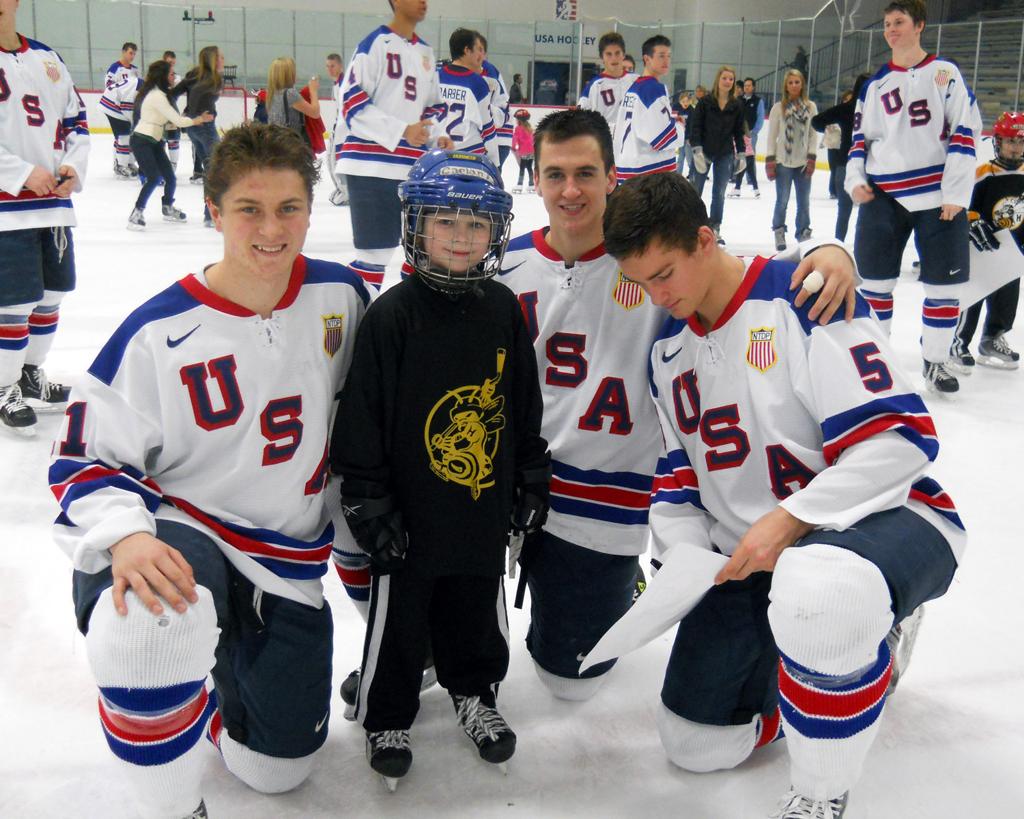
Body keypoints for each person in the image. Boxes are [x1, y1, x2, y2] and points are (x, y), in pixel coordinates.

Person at [603, 171, 963, 819]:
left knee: (821, 591)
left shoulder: (805, 296)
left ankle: (823, 785)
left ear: (706, 240)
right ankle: (814, 678)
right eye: (641, 281)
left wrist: (788, 519)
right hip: (758, 555)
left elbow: (900, 440)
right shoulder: (667, 347)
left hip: (883, 520)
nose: (656, 294)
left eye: (664, 274)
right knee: (696, 741)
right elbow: (678, 474)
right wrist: (687, 556)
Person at [49, 122, 372, 819]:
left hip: (283, 558)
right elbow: (82, 456)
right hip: (181, 526)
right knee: (152, 621)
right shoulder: (156, 331)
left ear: (311, 212)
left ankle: (217, 691)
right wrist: (126, 537)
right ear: (214, 211)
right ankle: (172, 804)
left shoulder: (343, 297)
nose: (271, 228)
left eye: (289, 208)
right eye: (249, 209)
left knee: (277, 771)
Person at [496, 108, 860, 704]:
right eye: (554, 173)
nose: (570, 190)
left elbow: (728, 267)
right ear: (533, 177)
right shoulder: (504, 265)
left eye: (586, 172)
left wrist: (828, 248)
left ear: (613, 176)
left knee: (569, 683)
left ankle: (619, 582)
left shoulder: (651, 259)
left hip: (607, 498)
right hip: (513, 487)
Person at [330, 149, 549, 790]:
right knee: (399, 619)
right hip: (412, 509)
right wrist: (368, 501)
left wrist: (529, 472)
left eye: (476, 225)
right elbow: (365, 414)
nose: (461, 237)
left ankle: (473, 692)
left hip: (480, 504)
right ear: (416, 226)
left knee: (477, 606)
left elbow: (520, 403)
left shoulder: (503, 308)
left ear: (496, 232)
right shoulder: (391, 315)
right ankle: (386, 715)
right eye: (446, 221)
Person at [846, 0, 982, 395]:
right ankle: (877, 358)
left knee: (944, 288)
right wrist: (855, 179)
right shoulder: (874, 85)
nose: (891, 29)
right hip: (884, 196)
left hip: (939, 198)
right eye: (887, 23)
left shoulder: (945, 74)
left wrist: (957, 191)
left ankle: (935, 360)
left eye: (899, 22)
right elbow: (859, 140)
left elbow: (964, 133)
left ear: (919, 25)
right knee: (874, 284)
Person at [0, 0, 88, 433]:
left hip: (52, 203)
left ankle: (31, 374)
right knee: (13, 301)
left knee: (52, 293)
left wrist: (74, 166)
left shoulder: (47, 58)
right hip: (5, 208)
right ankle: (3, 386)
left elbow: (76, 121)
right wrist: (19, 173)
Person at [334, 0, 449, 291]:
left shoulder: (425, 51)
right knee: (374, 255)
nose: (424, 2)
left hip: (414, 171)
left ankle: (414, 324)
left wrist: (438, 134)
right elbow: (351, 101)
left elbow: (433, 107)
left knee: (421, 253)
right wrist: (401, 131)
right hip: (372, 166)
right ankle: (360, 323)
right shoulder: (375, 44)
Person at [949, 111, 1024, 373]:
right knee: (973, 296)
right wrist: (972, 220)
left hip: (1013, 252)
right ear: (998, 142)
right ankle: (957, 342)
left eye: (1021, 142)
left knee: (1007, 298)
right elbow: (965, 206)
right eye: (1011, 141)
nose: (1016, 148)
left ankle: (992, 338)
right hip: (981, 248)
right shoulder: (983, 174)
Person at [127, 60, 214, 230]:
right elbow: (178, 120)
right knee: (154, 177)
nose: (174, 76)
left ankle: (167, 207)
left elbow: (168, 120)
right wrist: (198, 120)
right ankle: (136, 213)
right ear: (162, 77)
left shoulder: (161, 95)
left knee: (170, 177)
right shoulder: (157, 96)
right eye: (171, 74)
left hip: (155, 142)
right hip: (142, 141)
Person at [688, 65, 745, 244]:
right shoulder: (705, 102)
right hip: (703, 151)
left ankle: (714, 227)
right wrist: (697, 150)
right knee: (695, 191)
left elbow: (738, 131)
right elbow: (695, 127)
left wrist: (741, 153)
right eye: (724, 78)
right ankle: (691, 226)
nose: (728, 82)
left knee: (719, 192)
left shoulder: (736, 105)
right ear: (718, 80)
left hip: (725, 153)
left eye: (731, 79)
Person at [171, 45, 225, 226]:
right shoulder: (212, 79)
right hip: (204, 126)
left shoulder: (195, 74)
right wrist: (195, 113)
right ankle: (211, 215)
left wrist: (188, 114)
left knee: (210, 169)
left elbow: (174, 93)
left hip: (194, 127)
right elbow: (195, 93)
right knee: (216, 168)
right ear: (213, 60)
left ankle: (210, 213)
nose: (223, 60)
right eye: (220, 57)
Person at [765, 69, 818, 251]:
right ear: (786, 86)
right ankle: (779, 230)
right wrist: (770, 161)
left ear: (802, 84)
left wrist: (811, 158)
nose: (794, 85)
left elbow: (812, 135)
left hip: (803, 162)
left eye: (797, 82)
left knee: (804, 200)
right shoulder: (778, 108)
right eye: (790, 82)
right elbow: (772, 136)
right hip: (783, 162)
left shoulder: (811, 107)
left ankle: (803, 231)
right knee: (782, 199)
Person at [812, 75, 870, 242]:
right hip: (864, 166)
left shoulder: (846, 108)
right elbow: (816, 121)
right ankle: (858, 247)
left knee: (844, 210)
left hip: (847, 163)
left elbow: (817, 122)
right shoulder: (876, 110)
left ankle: (839, 243)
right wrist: (833, 130)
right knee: (865, 212)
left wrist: (832, 128)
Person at [614, 35, 678, 182]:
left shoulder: (635, 87)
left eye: (669, 56)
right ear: (647, 59)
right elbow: (662, 139)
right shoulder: (653, 88)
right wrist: (679, 129)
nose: (666, 60)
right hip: (648, 174)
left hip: (628, 169)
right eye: (661, 56)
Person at [436, 28, 499, 166]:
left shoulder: (434, 77)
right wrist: (495, 165)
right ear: (467, 50)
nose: (481, 55)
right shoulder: (477, 83)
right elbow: (487, 130)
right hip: (469, 159)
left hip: (437, 160)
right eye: (478, 49)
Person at [578, 32, 637, 138]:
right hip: (606, 145)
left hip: (632, 146)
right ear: (602, 57)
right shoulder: (595, 86)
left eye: (617, 53)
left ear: (623, 55)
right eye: (609, 54)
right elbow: (580, 119)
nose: (613, 58)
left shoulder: (636, 81)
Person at [100, 42, 141, 179]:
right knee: (122, 136)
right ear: (123, 52)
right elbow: (109, 87)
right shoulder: (115, 68)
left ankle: (128, 162)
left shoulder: (135, 70)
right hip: (116, 106)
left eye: (134, 53)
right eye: (130, 53)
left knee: (130, 135)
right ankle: (119, 164)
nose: (132, 56)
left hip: (129, 107)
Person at [266, 57, 321, 145]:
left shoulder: (272, 94)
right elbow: (315, 113)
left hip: (275, 143)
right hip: (290, 145)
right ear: (288, 75)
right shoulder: (290, 94)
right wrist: (313, 90)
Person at [480, 37, 513, 171]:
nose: (480, 55)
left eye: (482, 50)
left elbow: (502, 113)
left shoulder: (489, 71)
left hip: (498, 141)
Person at [728, 77, 764, 199]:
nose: (746, 87)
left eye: (749, 85)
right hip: (738, 133)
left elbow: (760, 117)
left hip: (750, 133)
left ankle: (747, 181)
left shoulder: (758, 101)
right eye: (745, 85)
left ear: (753, 87)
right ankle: (739, 183)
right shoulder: (738, 100)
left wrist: (754, 132)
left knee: (748, 158)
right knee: (742, 158)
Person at [325, 52, 349, 206]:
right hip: (338, 130)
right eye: (327, 66)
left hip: (344, 132)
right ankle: (342, 189)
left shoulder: (345, 84)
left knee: (337, 162)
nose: (329, 69)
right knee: (330, 160)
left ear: (340, 66)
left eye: (332, 66)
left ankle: (346, 191)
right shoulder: (337, 85)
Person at [162, 51, 181, 172]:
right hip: (158, 115)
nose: (171, 66)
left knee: (173, 139)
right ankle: (161, 166)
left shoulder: (177, 78)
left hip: (171, 114)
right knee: (159, 141)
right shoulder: (156, 77)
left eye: (173, 63)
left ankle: (173, 166)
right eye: (169, 63)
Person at [511, 108, 535, 193]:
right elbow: (533, 140)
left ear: (519, 120)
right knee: (529, 168)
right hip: (532, 151)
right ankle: (531, 184)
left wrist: (513, 147)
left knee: (522, 168)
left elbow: (515, 139)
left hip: (523, 151)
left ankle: (520, 184)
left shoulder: (518, 128)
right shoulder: (530, 128)